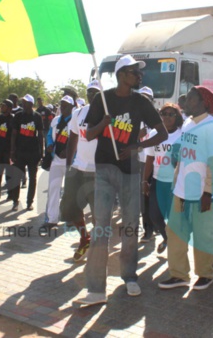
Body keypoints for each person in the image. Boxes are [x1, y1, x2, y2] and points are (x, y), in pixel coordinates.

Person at [75, 54, 167, 306]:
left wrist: (137, 145)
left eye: (139, 72)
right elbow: (89, 134)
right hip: (104, 169)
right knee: (101, 227)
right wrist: (103, 124)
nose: (139, 76)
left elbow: (162, 132)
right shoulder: (101, 101)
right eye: (134, 72)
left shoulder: (141, 102)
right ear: (121, 75)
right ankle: (95, 288)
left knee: (129, 227)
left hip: (130, 170)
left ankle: (129, 276)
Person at [158, 86, 213, 291]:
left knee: (204, 236)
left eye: (192, 98)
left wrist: (208, 192)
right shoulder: (187, 123)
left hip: (205, 194)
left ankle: (205, 274)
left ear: (203, 103)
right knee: (176, 233)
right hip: (182, 190)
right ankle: (179, 274)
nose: (186, 101)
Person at [61, 80, 101, 262]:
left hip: (98, 170)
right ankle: (85, 237)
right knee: (69, 209)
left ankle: (99, 248)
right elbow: (73, 140)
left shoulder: (108, 115)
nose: (92, 95)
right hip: (78, 168)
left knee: (98, 214)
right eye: (89, 92)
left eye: (95, 92)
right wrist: (69, 165)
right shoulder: (78, 114)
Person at [142, 103, 184, 254]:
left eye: (171, 114)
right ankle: (167, 238)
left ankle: (174, 247)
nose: (166, 117)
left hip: (175, 183)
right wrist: (144, 181)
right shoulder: (154, 134)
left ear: (177, 117)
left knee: (173, 218)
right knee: (155, 216)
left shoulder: (182, 134)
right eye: (163, 113)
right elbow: (149, 159)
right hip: (157, 181)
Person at [41, 95, 75, 231]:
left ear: (72, 107)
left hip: (71, 162)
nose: (63, 107)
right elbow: (49, 135)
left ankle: (71, 218)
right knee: (53, 189)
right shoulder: (55, 120)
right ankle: (51, 219)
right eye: (61, 105)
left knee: (70, 192)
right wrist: (49, 144)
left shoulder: (75, 120)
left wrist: (69, 151)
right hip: (56, 160)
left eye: (66, 105)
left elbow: (79, 139)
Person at [10, 94, 44, 211]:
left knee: (32, 178)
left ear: (31, 104)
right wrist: (12, 150)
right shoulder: (18, 116)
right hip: (20, 152)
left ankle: (29, 202)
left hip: (33, 152)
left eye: (25, 102)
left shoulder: (37, 117)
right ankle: (15, 201)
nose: (23, 104)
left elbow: (40, 135)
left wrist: (41, 152)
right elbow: (14, 134)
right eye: (22, 102)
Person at [137, 86, 155, 243]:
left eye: (147, 98)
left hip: (154, 162)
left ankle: (156, 225)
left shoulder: (158, 117)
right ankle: (148, 230)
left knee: (152, 198)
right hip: (139, 162)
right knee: (143, 198)